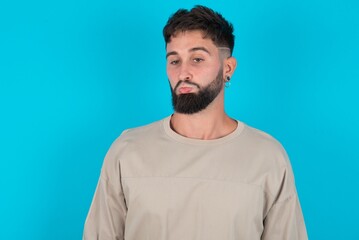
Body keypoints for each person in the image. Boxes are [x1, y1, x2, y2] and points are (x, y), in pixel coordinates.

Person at [83, 5, 308, 240]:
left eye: (197, 59)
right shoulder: (127, 151)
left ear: (227, 68)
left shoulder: (267, 157)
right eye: (174, 61)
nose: (183, 73)